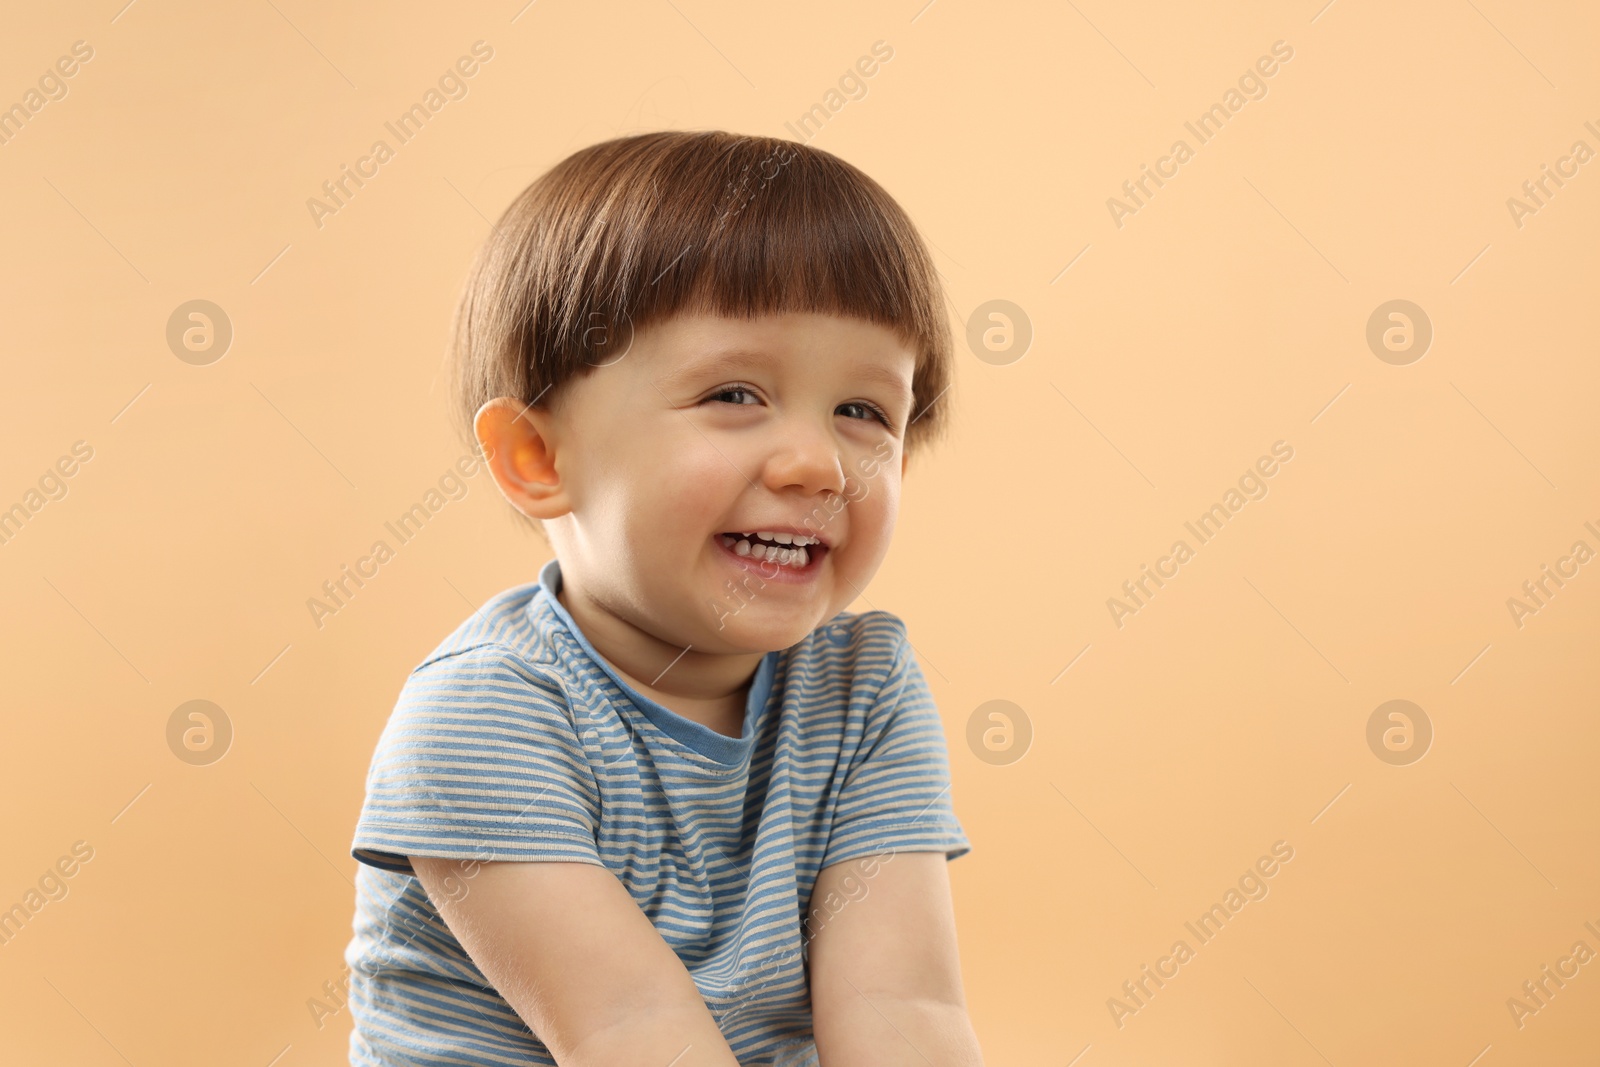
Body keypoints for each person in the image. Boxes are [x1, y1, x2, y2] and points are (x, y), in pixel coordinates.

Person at [344, 129, 980, 1066]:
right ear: (539, 457)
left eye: (863, 411)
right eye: (734, 392)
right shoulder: (487, 711)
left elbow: (903, 1008)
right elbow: (628, 1030)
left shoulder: (865, 690)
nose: (816, 464)